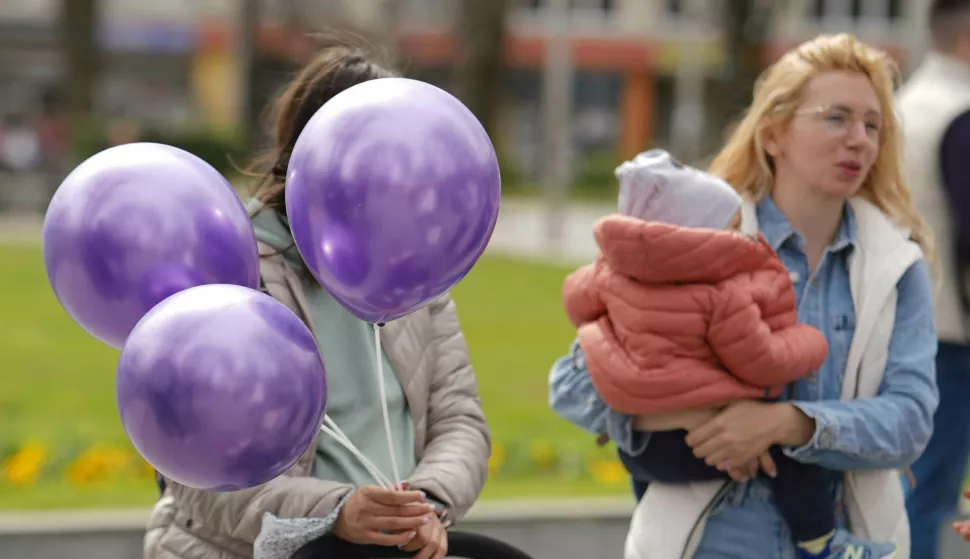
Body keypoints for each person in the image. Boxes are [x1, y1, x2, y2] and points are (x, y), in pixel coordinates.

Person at [550, 33, 937, 559]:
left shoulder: (898, 265)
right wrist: (696, 417)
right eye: (836, 117)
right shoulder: (694, 240)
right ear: (773, 134)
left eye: (873, 125)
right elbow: (571, 386)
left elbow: (911, 421)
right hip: (703, 546)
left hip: (849, 543)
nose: (859, 140)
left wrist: (788, 424)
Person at [143, 38, 491, 559]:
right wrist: (337, 511)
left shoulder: (414, 268)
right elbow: (198, 479)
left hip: (396, 543)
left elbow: (460, 420)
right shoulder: (232, 278)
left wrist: (423, 507)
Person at [555, 148, 897, 558]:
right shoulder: (724, 291)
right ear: (701, 236)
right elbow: (761, 359)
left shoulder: (611, 275)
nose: (740, 237)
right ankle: (822, 542)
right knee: (789, 448)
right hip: (706, 447)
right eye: (732, 228)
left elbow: (576, 303)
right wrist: (810, 343)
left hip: (645, 451)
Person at [895, 1, 970, 555]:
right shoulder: (960, 112)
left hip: (905, 322)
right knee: (929, 496)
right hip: (953, 334)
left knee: (906, 487)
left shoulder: (901, 107)